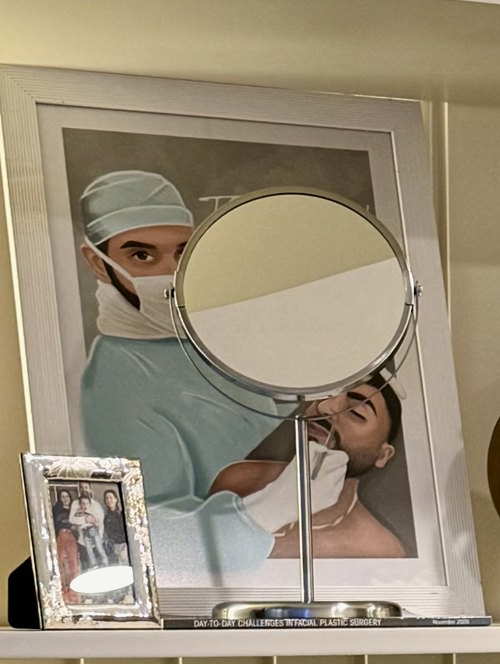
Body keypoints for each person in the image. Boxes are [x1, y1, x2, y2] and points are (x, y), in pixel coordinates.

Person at [74, 169, 341, 578]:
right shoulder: (114, 384)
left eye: (183, 253)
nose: (171, 273)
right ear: (98, 262)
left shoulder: (216, 347)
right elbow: (138, 540)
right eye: (142, 256)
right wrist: (269, 510)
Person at [207, 373, 408, 558]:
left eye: (356, 413)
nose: (324, 408)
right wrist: (275, 504)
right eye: (322, 396)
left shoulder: (380, 548)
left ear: (383, 455)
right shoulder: (238, 480)